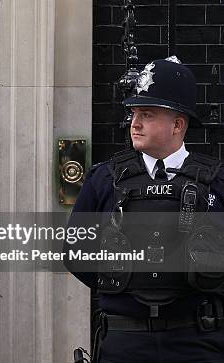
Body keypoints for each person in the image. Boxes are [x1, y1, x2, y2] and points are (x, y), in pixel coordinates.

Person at [67, 57, 224, 362]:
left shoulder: (217, 181)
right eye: (134, 113)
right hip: (125, 340)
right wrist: (121, 283)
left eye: (147, 115)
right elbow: (75, 251)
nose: (134, 124)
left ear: (178, 124)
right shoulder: (104, 180)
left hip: (198, 340)